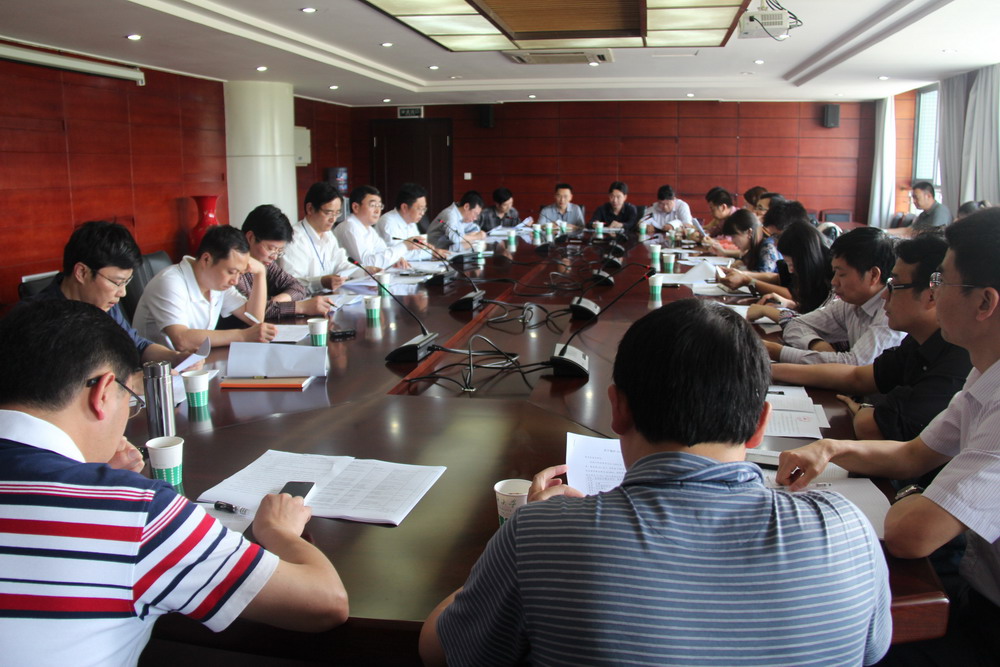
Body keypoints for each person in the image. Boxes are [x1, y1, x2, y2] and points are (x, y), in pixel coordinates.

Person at [419, 299, 891, 666]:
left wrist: (518, 540)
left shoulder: (540, 536)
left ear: (618, 409)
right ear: (759, 425)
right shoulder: (848, 532)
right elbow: (872, 650)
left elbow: (441, 652)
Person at [0, 300, 348, 665]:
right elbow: (325, 603)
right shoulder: (136, 512)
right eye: (130, 401)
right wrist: (278, 531)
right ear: (103, 392)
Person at [776, 209, 1000, 666]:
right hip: (974, 590)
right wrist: (831, 448)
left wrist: (914, 493)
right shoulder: (983, 375)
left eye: (942, 280)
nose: (934, 292)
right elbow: (914, 454)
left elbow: (909, 535)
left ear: (984, 303)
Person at [771, 234, 970, 441]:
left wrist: (864, 409)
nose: (884, 295)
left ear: (931, 295)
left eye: (894, 285)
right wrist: (769, 369)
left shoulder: (957, 361)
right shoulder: (917, 342)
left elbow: (871, 427)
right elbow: (856, 376)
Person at [29, 220, 191, 365]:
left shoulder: (104, 304)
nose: (122, 292)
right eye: (117, 282)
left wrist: (174, 357)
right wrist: (130, 382)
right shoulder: (37, 320)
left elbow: (136, 345)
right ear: (82, 272)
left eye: (126, 282)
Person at [765, 226, 904, 365]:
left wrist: (778, 352)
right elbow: (795, 324)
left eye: (842, 274)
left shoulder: (891, 313)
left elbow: (854, 365)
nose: (834, 282)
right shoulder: (850, 303)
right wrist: (816, 344)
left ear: (873, 275)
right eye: (835, 273)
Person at [133, 225, 276, 349]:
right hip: (158, 369)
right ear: (206, 259)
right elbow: (181, 340)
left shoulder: (216, 283)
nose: (235, 281)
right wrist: (242, 335)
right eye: (232, 272)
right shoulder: (170, 282)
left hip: (195, 363)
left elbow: (254, 319)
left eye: (240, 273)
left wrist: (260, 273)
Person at [235, 204, 333, 319]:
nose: (274, 257)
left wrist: (278, 301)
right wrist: (301, 307)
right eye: (271, 249)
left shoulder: (266, 263)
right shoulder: (234, 269)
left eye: (279, 251)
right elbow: (252, 312)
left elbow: (298, 287)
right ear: (251, 237)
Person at [719, 200, 813, 303]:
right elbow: (778, 278)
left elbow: (793, 295)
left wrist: (748, 281)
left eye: (777, 236)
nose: (775, 243)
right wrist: (742, 275)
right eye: (773, 236)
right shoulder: (796, 254)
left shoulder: (809, 257)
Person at [279, 182, 362, 294]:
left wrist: (366, 271)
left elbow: (341, 264)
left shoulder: (329, 235)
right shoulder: (294, 239)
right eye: (328, 213)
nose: (333, 219)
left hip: (329, 298)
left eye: (337, 213)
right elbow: (290, 284)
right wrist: (320, 282)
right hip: (305, 302)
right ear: (310, 209)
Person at [745, 220, 833, 321]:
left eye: (792, 264)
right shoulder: (816, 273)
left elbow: (813, 322)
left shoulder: (831, 281)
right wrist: (790, 304)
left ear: (806, 260)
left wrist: (766, 311)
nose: (790, 271)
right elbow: (813, 310)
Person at [334, 185, 409, 270]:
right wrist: (405, 245)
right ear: (356, 207)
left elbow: (382, 251)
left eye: (379, 205)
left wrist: (396, 259)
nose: (377, 210)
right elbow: (367, 264)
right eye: (373, 205)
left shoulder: (369, 229)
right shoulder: (349, 227)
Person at [376, 182, 444, 261]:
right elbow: (397, 254)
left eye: (424, 209)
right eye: (420, 208)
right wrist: (430, 253)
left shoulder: (411, 221)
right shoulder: (388, 222)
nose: (422, 213)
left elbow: (416, 248)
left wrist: (426, 248)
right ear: (404, 207)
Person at [716, 208, 782, 273]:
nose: (732, 241)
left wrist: (741, 274)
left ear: (749, 232)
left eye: (734, 236)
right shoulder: (754, 248)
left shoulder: (768, 248)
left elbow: (764, 275)